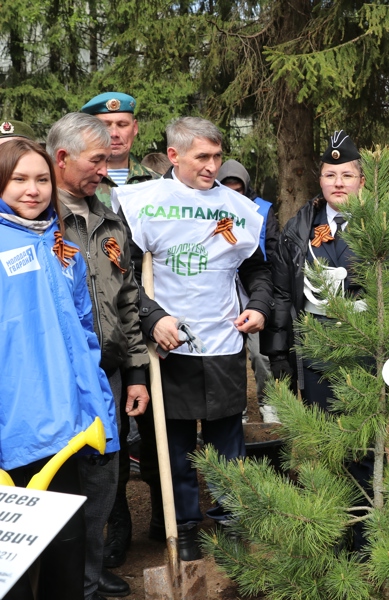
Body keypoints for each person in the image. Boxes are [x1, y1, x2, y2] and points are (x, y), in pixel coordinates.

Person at [117, 116, 273, 561]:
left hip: (223, 344)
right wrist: (153, 318)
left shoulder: (238, 207)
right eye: (201, 157)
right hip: (169, 348)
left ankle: (231, 523)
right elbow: (124, 276)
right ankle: (183, 527)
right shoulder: (141, 202)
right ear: (173, 156)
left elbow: (256, 269)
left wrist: (259, 306)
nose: (211, 166)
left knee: (227, 442)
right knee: (177, 447)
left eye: (217, 156)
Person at [0, 137, 118, 600]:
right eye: (19, 179)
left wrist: (98, 413)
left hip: (64, 433)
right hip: (13, 432)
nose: (33, 190)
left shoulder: (60, 245)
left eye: (42, 179)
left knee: (66, 555)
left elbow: (84, 337)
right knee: (10, 569)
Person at [49, 112, 152, 599]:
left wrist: (135, 371)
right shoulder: (38, 220)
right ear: (62, 158)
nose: (105, 170)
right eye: (97, 161)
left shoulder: (111, 218)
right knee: (58, 484)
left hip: (107, 375)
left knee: (102, 482)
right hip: (55, 381)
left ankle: (89, 578)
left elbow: (127, 299)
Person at [264, 131, 373, 549]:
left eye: (348, 175)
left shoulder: (381, 226)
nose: (339, 183)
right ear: (321, 180)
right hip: (314, 347)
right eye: (331, 174)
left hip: (365, 349)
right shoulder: (299, 228)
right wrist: (278, 356)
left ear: (363, 181)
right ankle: (328, 529)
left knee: (362, 442)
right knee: (321, 442)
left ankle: (364, 533)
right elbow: (280, 294)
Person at [80, 91, 161, 571]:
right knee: (115, 434)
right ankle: (119, 528)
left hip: (165, 327)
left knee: (158, 432)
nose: (116, 132)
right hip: (116, 330)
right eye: (106, 125)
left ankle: (167, 516)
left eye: (124, 124)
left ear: (135, 129)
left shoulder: (158, 187)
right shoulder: (84, 189)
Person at [219, 158, 280, 423]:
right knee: (228, 355)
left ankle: (268, 402)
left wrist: (268, 296)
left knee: (258, 353)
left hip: (256, 291)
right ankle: (237, 407)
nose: (233, 196)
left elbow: (275, 252)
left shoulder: (263, 210)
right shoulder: (207, 209)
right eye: (227, 189)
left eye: (238, 190)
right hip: (222, 291)